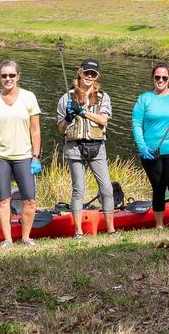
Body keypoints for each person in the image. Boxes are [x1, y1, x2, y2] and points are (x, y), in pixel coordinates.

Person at [0, 61, 42, 246]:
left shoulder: (29, 97)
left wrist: (35, 156)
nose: (8, 79)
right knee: (3, 200)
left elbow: (35, 130)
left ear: (18, 76)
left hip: (24, 156)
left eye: (12, 75)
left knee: (29, 199)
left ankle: (26, 237)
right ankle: (7, 239)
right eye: (4, 75)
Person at [57, 59, 116, 237]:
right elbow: (61, 128)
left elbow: (103, 120)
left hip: (97, 147)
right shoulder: (66, 98)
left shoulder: (103, 97)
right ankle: (78, 231)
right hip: (75, 147)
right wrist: (68, 117)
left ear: (97, 76)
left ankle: (111, 229)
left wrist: (82, 111)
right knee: (78, 190)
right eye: (87, 73)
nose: (89, 76)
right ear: (80, 72)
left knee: (106, 188)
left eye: (93, 74)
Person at [132, 62, 169, 228]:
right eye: (157, 77)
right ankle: (159, 225)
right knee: (158, 187)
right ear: (152, 78)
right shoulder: (144, 98)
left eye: (164, 77)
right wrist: (142, 146)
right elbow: (136, 123)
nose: (160, 80)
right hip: (151, 151)